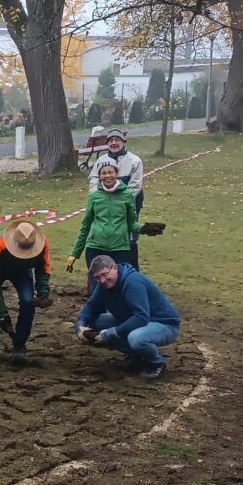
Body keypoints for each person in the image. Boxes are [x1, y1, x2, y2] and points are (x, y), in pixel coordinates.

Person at [75, 255, 180, 380]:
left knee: (136, 338)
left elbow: (141, 317)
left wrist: (113, 332)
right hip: (134, 320)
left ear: (114, 268)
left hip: (163, 325)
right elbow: (91, 306)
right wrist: (80, 326)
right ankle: (135, 356)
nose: (102, 281)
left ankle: (156, 362)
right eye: (97, 278)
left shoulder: (133, 282)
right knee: (93, 322)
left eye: (104, 274)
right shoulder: (104, 285)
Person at [66, 161, 164, 282]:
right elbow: (85, 226)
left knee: (118, 285)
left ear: (116, 174)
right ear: (100, 176)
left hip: (120, 249)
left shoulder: (127, 195)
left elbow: (132, 224)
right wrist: (75, 253)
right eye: (103, 173)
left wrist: (144, 228)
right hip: (95, 248)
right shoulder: (94, 196)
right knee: (98, 286)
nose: (107, 176)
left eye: (110, 172)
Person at [0, 221, 52, 366]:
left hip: (22, 272)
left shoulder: (42, 244)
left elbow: (43, 269)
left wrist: (43, 292)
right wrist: (3, 314)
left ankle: (19, 345)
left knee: (27, 302)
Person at [89, 128, 145, 267]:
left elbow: (135, 186)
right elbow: (94, 182)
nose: (114, 143)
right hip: (105, 204)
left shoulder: (134, 160)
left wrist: (119, 201)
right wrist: (99, 198)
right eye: (111, 140)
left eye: (117, 140)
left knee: (129, 235)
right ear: (107, 143)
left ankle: (130, 270)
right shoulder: (101, 160)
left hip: (130, 204)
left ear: (123, 141)